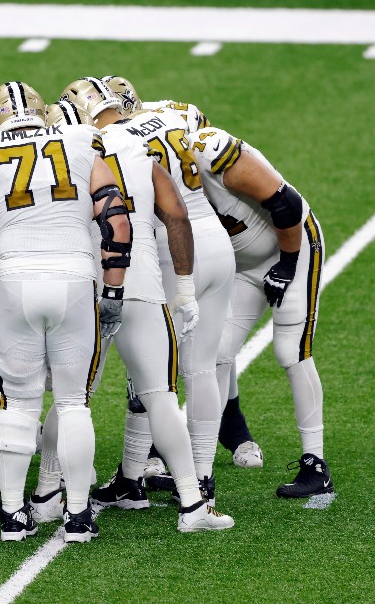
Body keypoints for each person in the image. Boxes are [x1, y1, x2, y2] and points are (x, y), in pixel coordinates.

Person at [0, 81, 130, 543]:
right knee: (72, 403)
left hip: (16, 277)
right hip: (74, 275)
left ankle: (13, 515)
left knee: (19, 403)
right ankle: (78, 515)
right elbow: (115, 216)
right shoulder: (80, 140)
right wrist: (114, 289)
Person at [54, 80, 232, 531]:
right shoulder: (142, 142)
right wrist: (185, 289)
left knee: (73, 401)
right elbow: (176, 213)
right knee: (164, 394)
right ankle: (193, 499)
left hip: (90, 282)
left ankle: (47, 498)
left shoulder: (67, 149)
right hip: (150, 276)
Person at [104, 75, 264, 469]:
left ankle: (140, 470)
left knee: (152, 370)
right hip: (215, 239)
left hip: (170, 249)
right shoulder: (177, 114)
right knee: (203, 366)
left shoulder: (114, 141)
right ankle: (203, 476)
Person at [188, 124, 333, 498]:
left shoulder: (208, 151)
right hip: (241, 262)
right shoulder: (152, 160)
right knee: (217, 351)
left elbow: (286, 203)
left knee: (291, 352)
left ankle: (316, 464)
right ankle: (200, 464)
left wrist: (287, 263)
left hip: (292, 247)